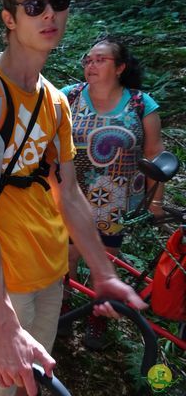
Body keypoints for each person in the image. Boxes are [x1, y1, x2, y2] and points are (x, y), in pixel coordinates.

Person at [0, 0, 146, 396]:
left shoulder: (56, 101)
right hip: (4, 281)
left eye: (59, 2)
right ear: (9, 19)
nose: (50, 13)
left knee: (30, 386)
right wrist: (1, 318)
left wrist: (103, 272)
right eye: (34, 6)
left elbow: (68, 194)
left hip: (52, 271)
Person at [59, 37, 164, 349]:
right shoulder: (69, 97)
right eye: (88, 60)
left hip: (116, 202)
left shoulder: (140, 104)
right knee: (66, 256)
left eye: (100, 60)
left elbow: (154, 154)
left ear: (120, 67)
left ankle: (98, 317)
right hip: (70, 194)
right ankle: (62, 309)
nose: (91, 65)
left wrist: (155, 201)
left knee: (106, 260)